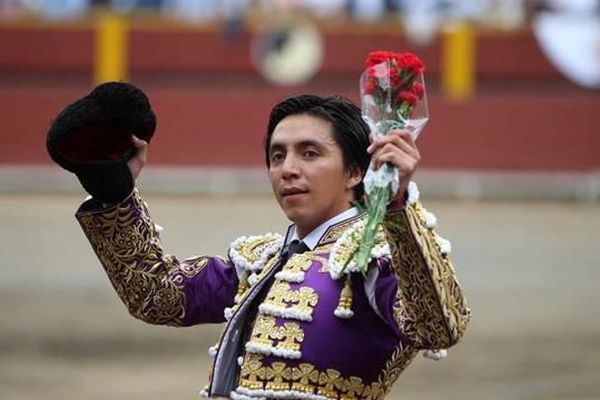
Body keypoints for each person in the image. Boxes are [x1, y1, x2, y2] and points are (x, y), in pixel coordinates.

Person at [71, 93, 470, 399]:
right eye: (276, 156)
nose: (288, 169)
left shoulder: (373, 254)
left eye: (309, 153)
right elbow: (158, 295)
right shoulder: (263, 259)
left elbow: (439, 327)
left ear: (354, 172)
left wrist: (397, 208)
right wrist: (114, 191)